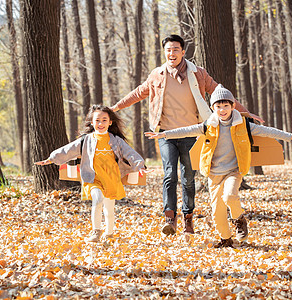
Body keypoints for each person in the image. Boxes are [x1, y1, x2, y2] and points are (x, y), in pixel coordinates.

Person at [111, 34, 261, 235]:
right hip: (166, 133)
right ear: (164, 53)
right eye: (168, 50)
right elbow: (138, 93)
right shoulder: (157, 75)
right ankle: (170, 218)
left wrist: (245, 113)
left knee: (188, 178)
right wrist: (115, 108)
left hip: (193, 133)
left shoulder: (197, 73)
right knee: (170, 174)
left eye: (175, 49)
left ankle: (188, 219)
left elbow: (220, 91)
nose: (171, 53)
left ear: (183, 52)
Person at [145, 84, 292, 247]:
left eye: (225, 106)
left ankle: (239, 220)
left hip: (233, 171)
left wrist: (291, 137)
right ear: (213, 108)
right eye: (218, 106)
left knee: (230, 196)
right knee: (217, 214)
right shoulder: (208, 126)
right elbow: (186, 130)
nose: (222, 110)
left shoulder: (243, 125)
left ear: (232, 106)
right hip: (214, 174)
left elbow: (268, 131)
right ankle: (226, 239)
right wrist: (163, 134)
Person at [35, 105, 147, 242]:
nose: (101, 123)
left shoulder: (116, 140)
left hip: (111, 178)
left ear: (110, 122)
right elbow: (68, 150)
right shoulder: (86, 140)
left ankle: (109, 233)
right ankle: (96, 232)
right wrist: (51, 158)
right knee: (97, 198)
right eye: (97, 120)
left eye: (104, 120)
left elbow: (130, 153)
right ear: (92, 122)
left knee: (109, 209)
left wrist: (140, 166)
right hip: (92, 177)